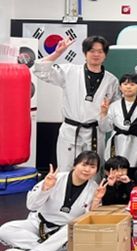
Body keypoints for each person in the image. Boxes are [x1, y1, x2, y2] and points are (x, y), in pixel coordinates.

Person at [0, 152, 105, 251]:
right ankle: (52, 249)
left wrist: (96, 200)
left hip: (64, 232)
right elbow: (31, 205)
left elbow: (88, 219)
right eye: (84, 165)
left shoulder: (95, 189)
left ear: (96, 171)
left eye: (92, 167)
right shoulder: (55, 178)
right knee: (5, 230)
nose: (87, 170)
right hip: (39, 224)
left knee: (74, 227)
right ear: (75, 165)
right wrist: (45, 188)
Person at [33, 36, 119, 170]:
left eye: (100, 51)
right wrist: (57, 53)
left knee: (93, 172)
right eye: (92, 51)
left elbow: (116, 108)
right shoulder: (70, 71)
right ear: (85, 53)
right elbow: (40, 70)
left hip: (95, 133)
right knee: (66, 170)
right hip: (70, 130)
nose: (96, 54)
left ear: (105, 55)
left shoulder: (111, 81)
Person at [100, 73, 137, 168]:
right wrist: (104, 113)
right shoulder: (113, 106)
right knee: (114, 168)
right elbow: (105, 128)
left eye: (132, 84)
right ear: (120, 87)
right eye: (125, 84)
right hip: (117, 142)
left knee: (133, 168)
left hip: (135, 143)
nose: (128, 87)